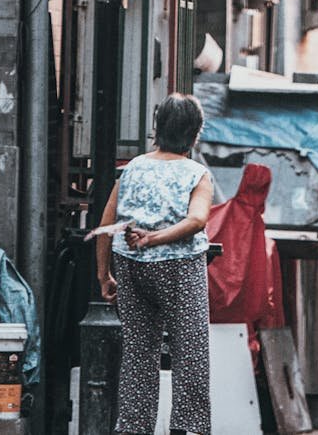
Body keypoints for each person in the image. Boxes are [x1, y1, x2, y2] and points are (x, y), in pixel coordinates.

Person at [95, 94, 214, 435]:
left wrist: (104, 274)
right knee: (189, 350)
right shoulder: (196, 173)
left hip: (130, 266)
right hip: (179, 267)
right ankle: (186, 429)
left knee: (138, 352)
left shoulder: (132, 168)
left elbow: (107, 223)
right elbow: (197, 220)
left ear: (157, 129)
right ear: (194, 134)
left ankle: (134, 428)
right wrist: (156, 238)